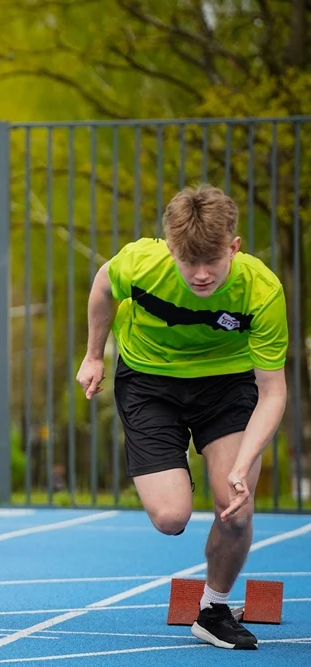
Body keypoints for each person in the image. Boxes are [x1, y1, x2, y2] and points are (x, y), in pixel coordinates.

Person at [76, 184, 288, 650]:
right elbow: (102, 286)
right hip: (150, 381)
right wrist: (93, 355)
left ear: (234, 247)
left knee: (236, 508)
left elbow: (273, 392)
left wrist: (241, 465)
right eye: (189, 261)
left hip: (227, 386)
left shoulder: (261, 290)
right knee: (171, 517)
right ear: (171, 249)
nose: (201, 274)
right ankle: (174, 466)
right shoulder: (141, 263)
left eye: (212, 261)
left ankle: (213, 610)